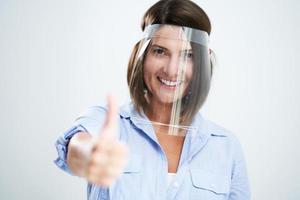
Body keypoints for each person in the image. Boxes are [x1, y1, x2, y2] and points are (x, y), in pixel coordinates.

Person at [54, 0, 250, 199]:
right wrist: (90, 155)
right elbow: (77, 147)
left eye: (188, 55)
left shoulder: (226, 146)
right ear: (142, 55)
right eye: (160, 51)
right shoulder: (109, 122)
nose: (172, 70)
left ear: (202, 63)